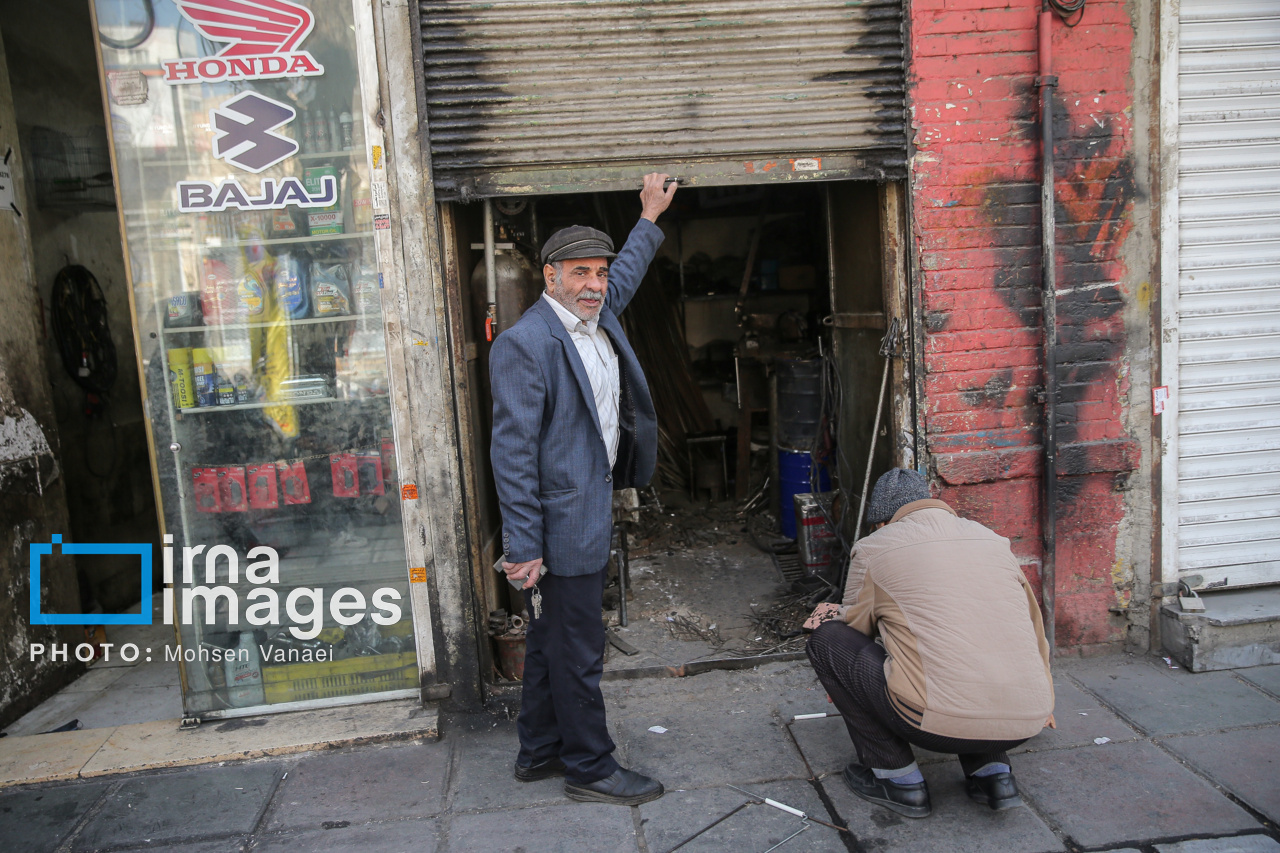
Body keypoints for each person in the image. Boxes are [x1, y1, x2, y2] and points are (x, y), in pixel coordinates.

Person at [489, 173, 677, 806]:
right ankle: (591, 768)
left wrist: (649, 215)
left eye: (600, 272)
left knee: (549, 641)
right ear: (550, 277)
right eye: (580, 274)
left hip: (589, 509)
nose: (595, 284)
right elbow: (512, 455)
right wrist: (523, 546)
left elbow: (628, 273)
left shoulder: (599, 312)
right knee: (578, 650)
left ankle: (539, 749)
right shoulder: (525, 345)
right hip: (560, 525)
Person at [804, 468, 1054, 819]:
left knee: (828, 640)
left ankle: (898, 780)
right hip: (1028, 719)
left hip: (934, 725)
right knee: (967, 636)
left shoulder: (876, 546)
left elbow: (858, 629)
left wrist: (828, 617)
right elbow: (1034, 627)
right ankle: (994, 775)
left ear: (881, 522)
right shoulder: (992, 540)